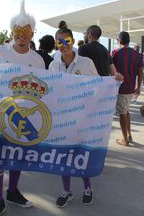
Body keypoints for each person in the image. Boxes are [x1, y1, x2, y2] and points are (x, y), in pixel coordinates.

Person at [0, 0, 45, 216]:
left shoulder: (38, 60)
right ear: (11, 32)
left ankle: (12, 191)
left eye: (26, 30)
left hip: (24, 117)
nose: (21, 34)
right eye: (17, 30)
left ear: (32, 33)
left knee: (19, 156)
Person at [49, 27, 97, 207]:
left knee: (81, 155)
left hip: (82, 118)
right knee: (64, 156)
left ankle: (87, 187)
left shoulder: (86, 63)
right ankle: (67, 191)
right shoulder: (53, 65)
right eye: (59, 42)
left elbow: (98, 86)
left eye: (66, 41)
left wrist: (114, 80)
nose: (63, 45)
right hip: (61, 119)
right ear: (56, 44)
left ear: (72, 41)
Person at [111, 31, 143, 146]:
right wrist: (138, 87)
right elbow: (140, 73)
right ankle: (129, 134)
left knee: (122, 114)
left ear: (119, 41)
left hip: (120, 88)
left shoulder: (114, 53)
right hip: (130, 88)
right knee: (126, 111)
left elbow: (110, 70)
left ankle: (125, 139)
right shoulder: (137, 54)